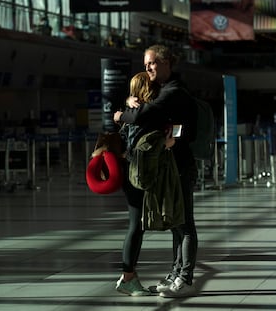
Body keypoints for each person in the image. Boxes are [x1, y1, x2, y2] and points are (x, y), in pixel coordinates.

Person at [114, 44, 198, 298]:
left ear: (165, 62)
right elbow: (148, 110)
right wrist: (130, 101)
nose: (147, 67)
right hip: (169, 168)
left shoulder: (174, 91)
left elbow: (147, 113)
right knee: (176, 222)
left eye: (151, 63)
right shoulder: (165, 90)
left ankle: (184, 276)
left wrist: (120, 115)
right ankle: (175, 273)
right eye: (145, 64)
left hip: (180, 166)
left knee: (184, 223)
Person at [115, 71, 175, 296]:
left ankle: (129, 275)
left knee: (136, 225)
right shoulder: (148, 112)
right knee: (136, 226)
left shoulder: (132, 110)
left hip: (130, 173)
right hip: (139, 174)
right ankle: (128, 277)